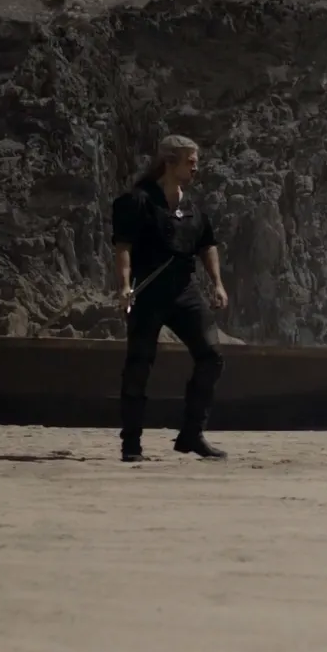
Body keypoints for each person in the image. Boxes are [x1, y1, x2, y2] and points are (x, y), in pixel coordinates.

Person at [110, 134, 229, 461]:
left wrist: (217, 284)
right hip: (148, 291)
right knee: (139, 364)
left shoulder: (192, 208)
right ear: (169, 162)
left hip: (185, 291)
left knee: (211, 356)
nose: (195, 168)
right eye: (190, 162)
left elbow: (207, 245)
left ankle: (192, 434)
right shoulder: (137, 202)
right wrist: (124, 286)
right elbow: (123, 247)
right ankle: (131, 444)